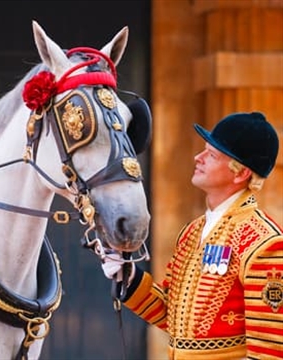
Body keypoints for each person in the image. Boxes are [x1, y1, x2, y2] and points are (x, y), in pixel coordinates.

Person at [101, 112, 283, 359]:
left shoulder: (264, 242)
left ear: (240, 173)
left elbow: (269, 351)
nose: (198, 158)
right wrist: (128, 276)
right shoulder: (191, 232)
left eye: (212, 154)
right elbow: (173, 318)